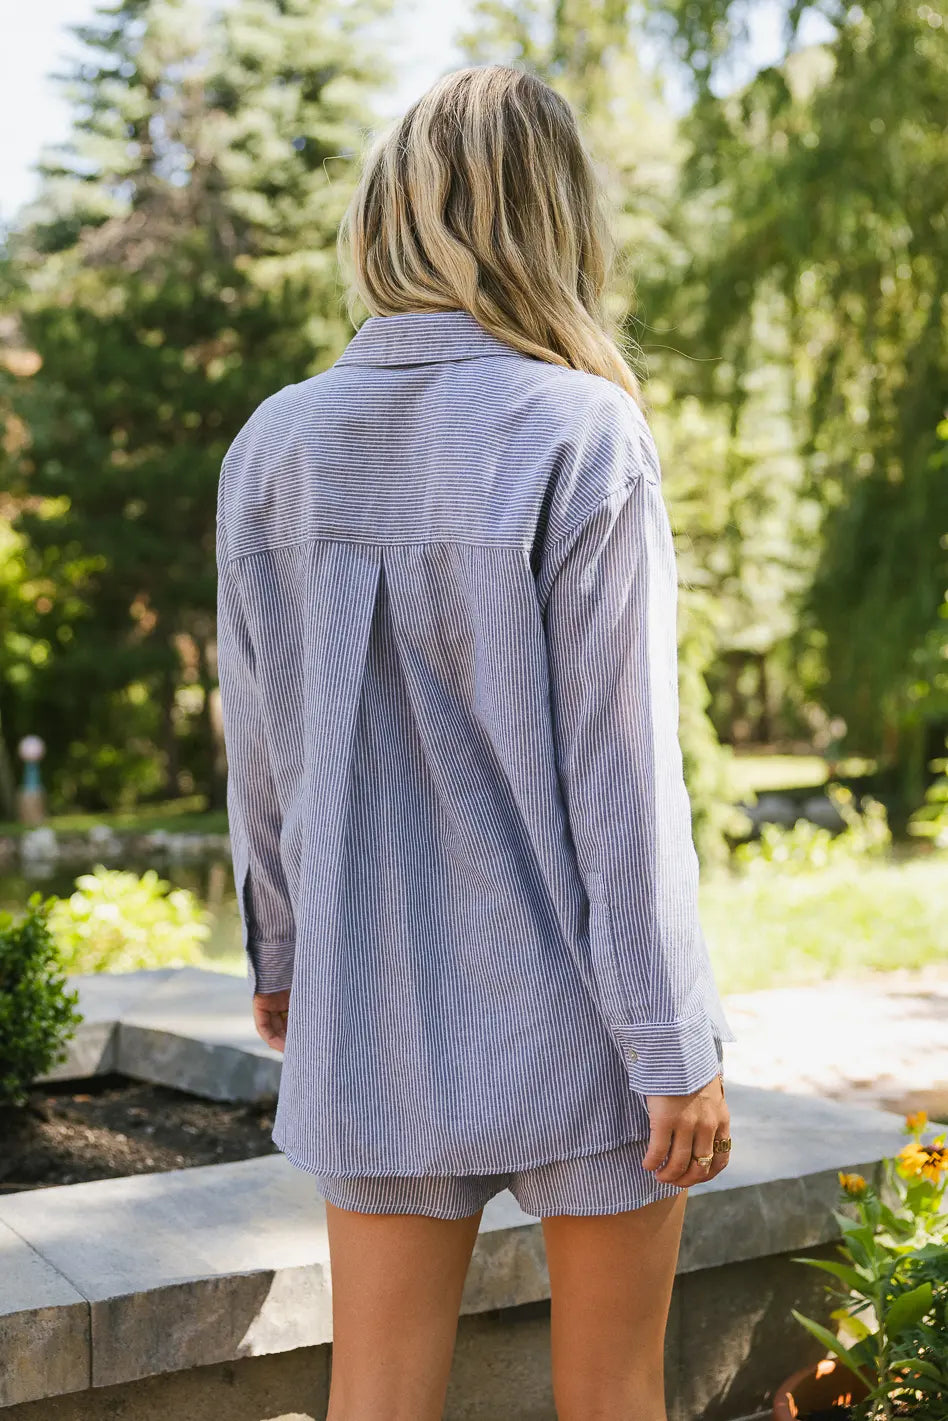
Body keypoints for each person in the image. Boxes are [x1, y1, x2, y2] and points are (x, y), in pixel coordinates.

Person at [216, 61, 736, 1421]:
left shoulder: (273, 444)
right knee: (614, 1397)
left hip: (369, 1000)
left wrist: (285, 953)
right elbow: (624, 776)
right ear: (554, 223)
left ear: (389, 214)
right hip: (583, 1016)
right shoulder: (583, 429)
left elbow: (258, 738)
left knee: (376, 1402)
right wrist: (674, 1039)